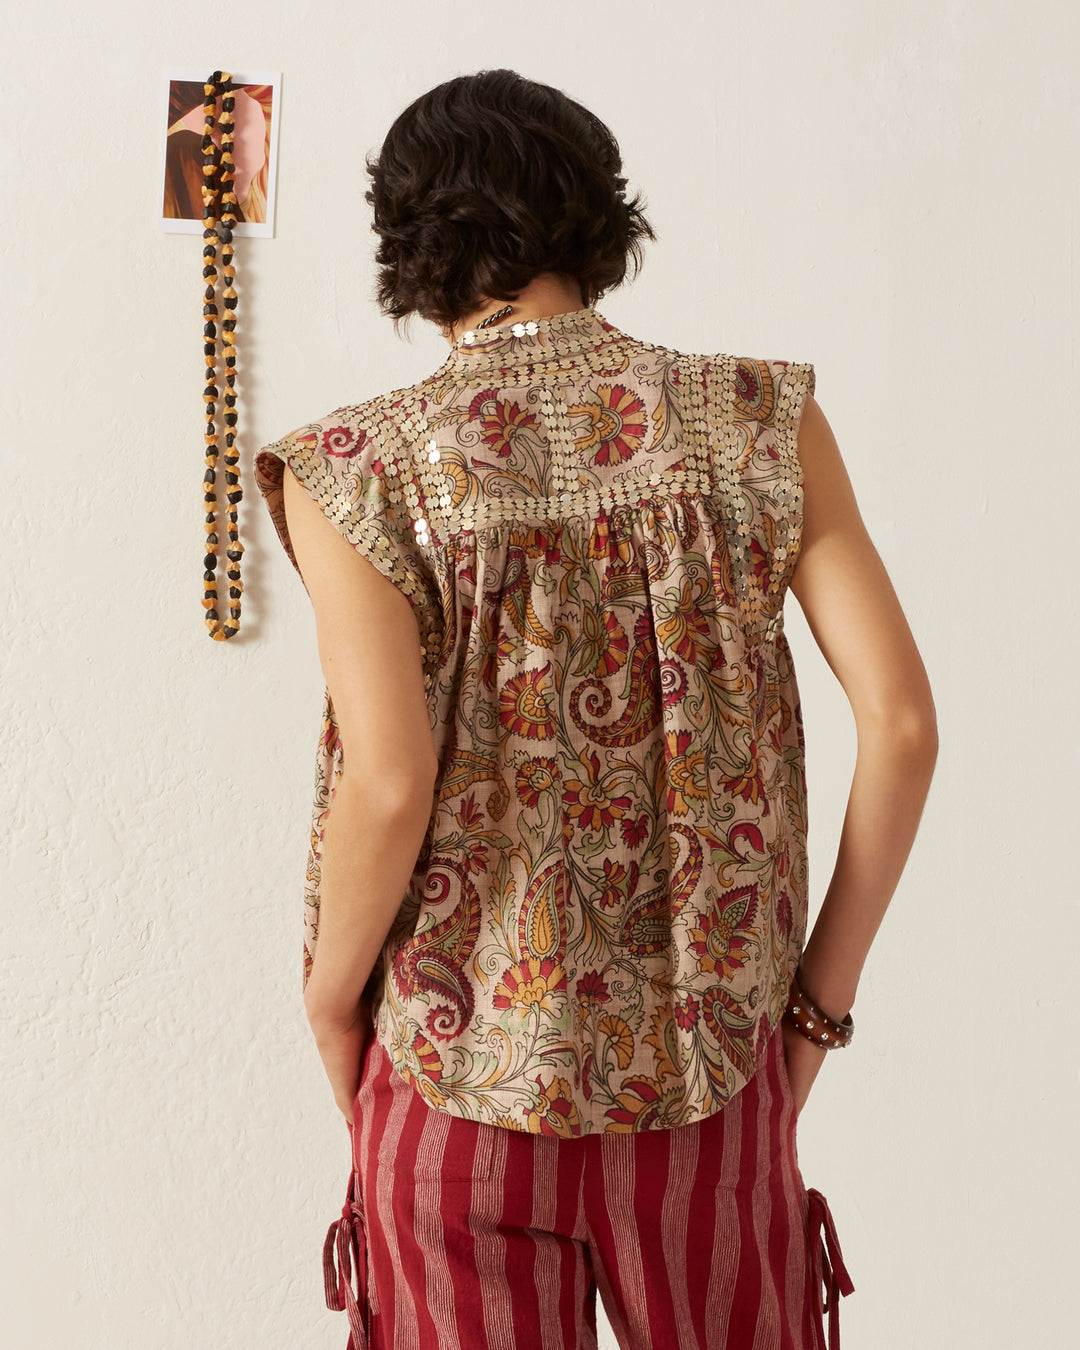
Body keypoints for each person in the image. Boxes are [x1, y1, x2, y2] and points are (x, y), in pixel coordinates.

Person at [254, 67, 937, 1350]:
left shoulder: (353, 468)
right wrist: (810, 1015)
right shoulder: (759, 422)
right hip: (711, 1083)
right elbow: (902, 722)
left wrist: (331, 997)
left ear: (408, 247)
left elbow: (389, 784)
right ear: (600, 221)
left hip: (454, 1085)